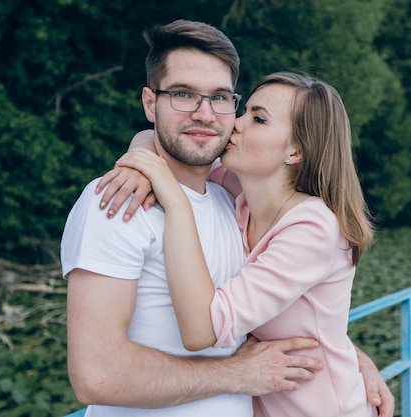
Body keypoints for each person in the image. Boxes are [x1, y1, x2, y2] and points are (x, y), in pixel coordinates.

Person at [61, 20, 324, 417]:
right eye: (183, 94)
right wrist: (235, 373)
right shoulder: (116, 201)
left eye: (219, 97)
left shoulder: (230, 200)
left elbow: (263, 310)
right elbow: (96, 374)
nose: (204, 114)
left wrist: (348, 358)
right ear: (151, 103)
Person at [107, 71, 378, 417]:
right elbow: (156, 138)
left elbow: (202, 329)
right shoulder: (239, 190)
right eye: (244, 110)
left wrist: (174, 199)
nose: (236, 123)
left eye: (259, 119)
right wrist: (139, 164)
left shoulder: (314, 229)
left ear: (296, 150)